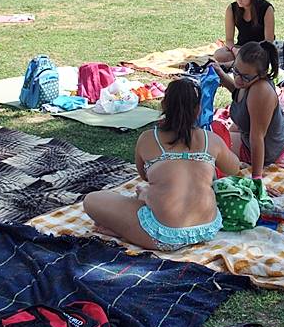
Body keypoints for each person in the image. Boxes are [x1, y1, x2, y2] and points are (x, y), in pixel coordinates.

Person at [83, 79, 241, 251]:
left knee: (92, 200)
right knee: (148, 196)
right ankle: (138, 216)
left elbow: (145, 176)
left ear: (164, 105)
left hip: (165, 235)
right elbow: (234, 168)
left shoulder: (148, 139)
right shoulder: (211, 140)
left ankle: (126, 231)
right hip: (207, 227)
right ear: (198, 110)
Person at [212, 41, 284, 180]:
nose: (238, 79)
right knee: (219, 132)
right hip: (255, 137)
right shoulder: (249, 81)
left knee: (212, 141)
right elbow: (237, 90)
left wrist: (256, 177)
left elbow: (257, 138)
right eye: (235, 71)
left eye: (245, 76)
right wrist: (221, 74)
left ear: (262, 74)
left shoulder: (260, 91)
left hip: (265, 151)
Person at [213, 0, 275, 64]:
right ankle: (240, 62)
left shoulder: (266, 8)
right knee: (219, 54)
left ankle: (237, 63)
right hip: (241, 47)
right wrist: (234, 50)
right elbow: (229, 40)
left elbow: (269, 40)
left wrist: (249, 51)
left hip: (260, 48)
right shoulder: (232, 8)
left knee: (258, 57)